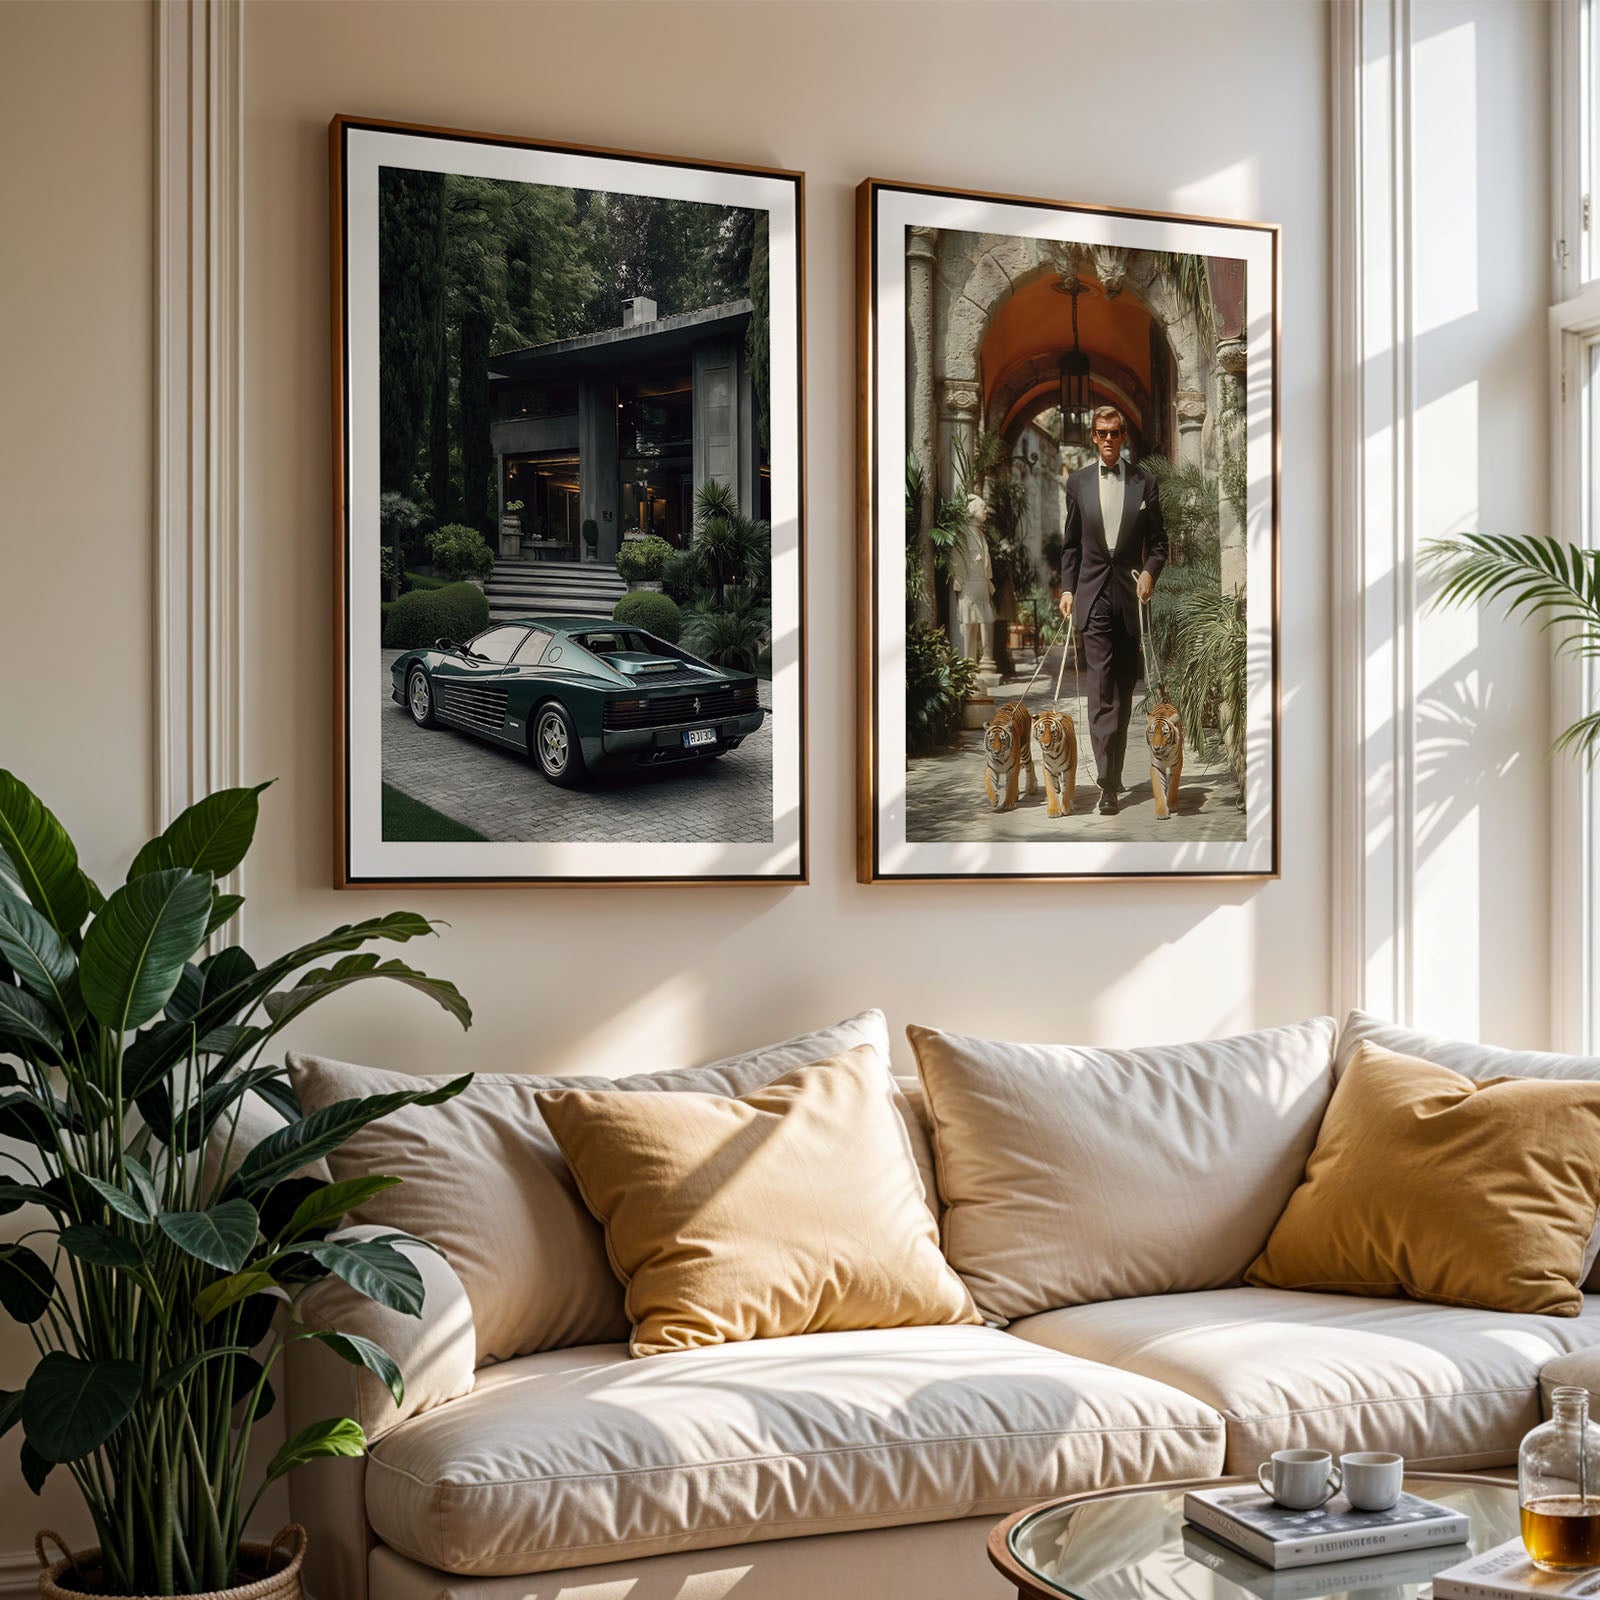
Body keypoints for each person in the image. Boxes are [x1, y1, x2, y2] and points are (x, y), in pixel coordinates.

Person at [1057, 406, 1167, 815]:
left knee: (1122, 692)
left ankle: (1115, 771)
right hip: (1092, 598)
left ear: (1123, 437)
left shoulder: (1144, 483)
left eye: (1115, 433)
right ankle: (1106, 784)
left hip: (1129, 597)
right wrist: (1068, 589)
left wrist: (1150, 574)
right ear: (1092, 436)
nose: (1108, 439)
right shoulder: (1077, 483)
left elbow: (1159, 543)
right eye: (1101, 433)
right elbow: (1070, 545)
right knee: (1101, 689)